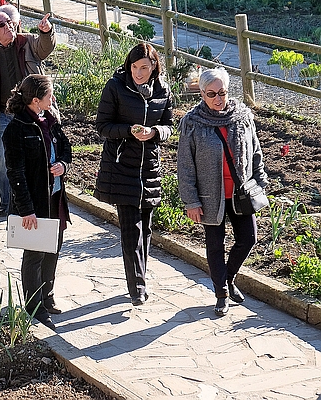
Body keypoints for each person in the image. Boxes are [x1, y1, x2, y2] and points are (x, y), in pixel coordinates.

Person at [177, 68, 268, 317]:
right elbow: (185, 165)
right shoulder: (193, 123)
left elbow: (256, 151)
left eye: (222, 93)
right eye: (212, 94)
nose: (218, 98)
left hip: (240, 194)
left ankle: (228, 278)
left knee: (248, 238)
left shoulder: (242, 117)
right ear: (202, 94)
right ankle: (221, 295)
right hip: (210, 197)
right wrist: (191, 201)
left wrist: (260, 181)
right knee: (215, 246)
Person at [94, 43, 173, 306]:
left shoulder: (162, 91)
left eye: (144, 68)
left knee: (146, 228)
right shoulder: (116, 87)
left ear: (154, 68)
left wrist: (155, 133)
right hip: (121, 165)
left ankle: (141, 276)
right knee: (131, 228)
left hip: (149, 166)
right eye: (134, 67)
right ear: (128, 66)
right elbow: (102, 126)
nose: (138, 73)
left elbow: (169, 126)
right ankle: (137, 285)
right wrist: (129, 131)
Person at [3, 74, 71, 331]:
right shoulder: (16, 130)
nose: (53, 99)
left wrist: (63, 165)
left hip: (55, 198)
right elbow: (15, 173)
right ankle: (34, 306)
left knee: (53, 248)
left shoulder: (50, 122)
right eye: (49, 95)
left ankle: (47, 296)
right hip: (35, 204)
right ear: (35, 100)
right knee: (35, 254)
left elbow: (66, 149)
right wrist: (27, 210)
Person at [0, 11, 55, 217]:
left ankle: (37, 202)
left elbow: (44, 47)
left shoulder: (27, 41)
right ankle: (7, 203)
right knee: (3, 160)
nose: (8, 27)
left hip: (31, 112)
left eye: (10, 23)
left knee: (38, 156)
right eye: (1, 25)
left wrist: (46, 32)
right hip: (3, 113)